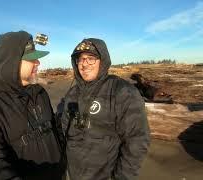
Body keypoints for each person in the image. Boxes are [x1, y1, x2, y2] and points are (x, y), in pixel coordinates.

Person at [0, 31, 65, 180]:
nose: (38, 62)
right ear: (11, 63)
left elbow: (55, 131)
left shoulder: (40, 93)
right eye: (32, 58)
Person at [57, 38, 150, 180]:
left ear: (103, 61)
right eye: (80, 59)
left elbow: (137, 141)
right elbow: (65, 129)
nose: (84, 64)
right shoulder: (72, 94)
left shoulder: (122, 92)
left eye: (91, 58)